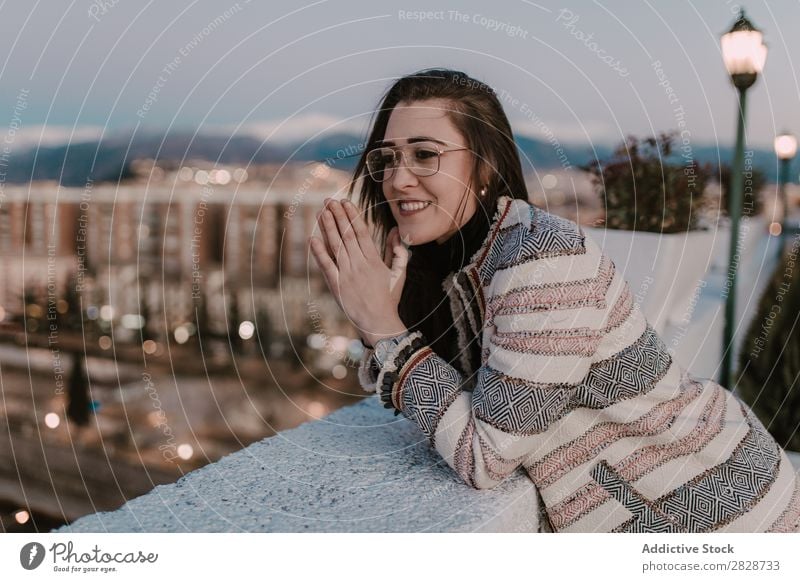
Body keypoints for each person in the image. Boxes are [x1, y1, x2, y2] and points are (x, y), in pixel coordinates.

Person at [308, 68, 800, 533]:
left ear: (484, 165)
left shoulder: (541, 260)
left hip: (721, 513)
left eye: (424, 154)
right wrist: (388, 329)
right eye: (387, 157)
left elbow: (485, 458)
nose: (397, 179)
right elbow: (442, 407)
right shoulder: (461, 265)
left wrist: (385, 329)